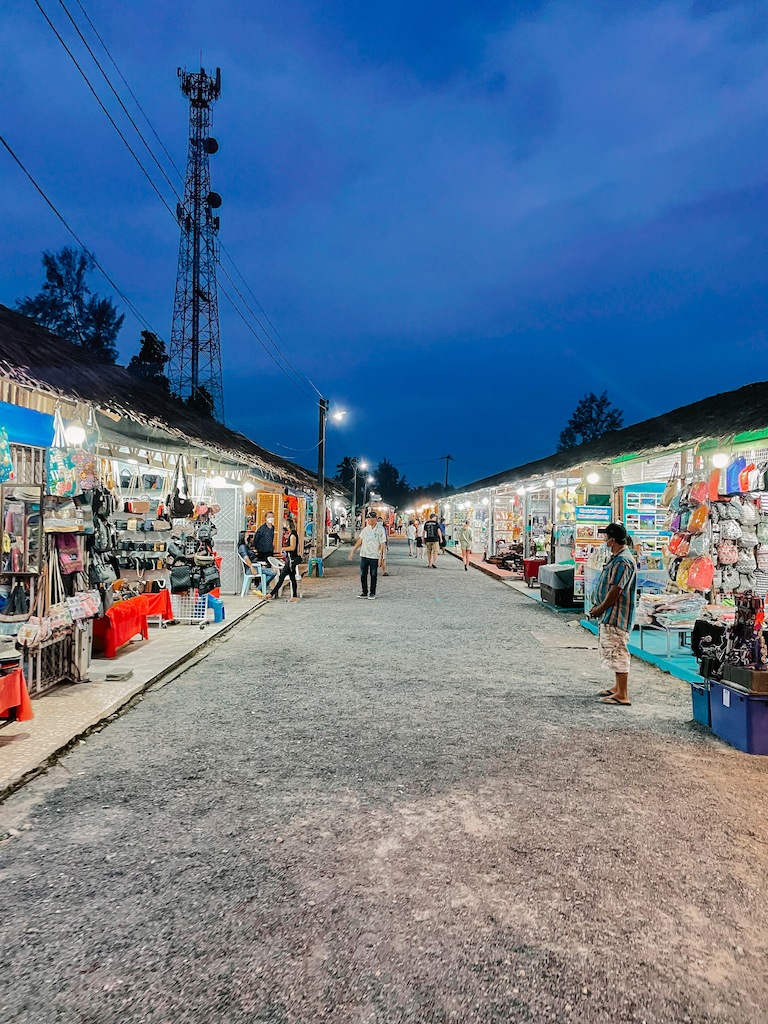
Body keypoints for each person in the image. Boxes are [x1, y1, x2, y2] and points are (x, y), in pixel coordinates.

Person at [587, 522, 637, 706]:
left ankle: (622, 694)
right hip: (610, 614)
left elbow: (616, 590)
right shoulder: (617, 558)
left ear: (612, 540)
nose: (604, 540)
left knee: (618, 651)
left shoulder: (624, 561)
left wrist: (600, 608)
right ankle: (617, 688)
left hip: (617, 615)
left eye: (606, 537)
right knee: (613, 650)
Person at [348, 511, 385, 599]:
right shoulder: (365, 529)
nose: (368, 520)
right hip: (364, 554)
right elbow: (360, 541)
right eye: (368, 518)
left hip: (374, 555)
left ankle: (372, 592)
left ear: (375, 519)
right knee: (363, 574)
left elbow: (382, 544)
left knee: (373, 574)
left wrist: (381, 557)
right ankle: (364, 591)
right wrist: (352, 551)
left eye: (370, 518)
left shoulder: (380, 530)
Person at [268, 515, 300, 602]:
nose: (284, 526)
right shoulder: (290, 534)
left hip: (291, 560)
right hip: (290, 559)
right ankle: (294, 596)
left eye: (285, 524)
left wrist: (283, 549)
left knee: (282, 577)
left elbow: (292, 547)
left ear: (288, 525)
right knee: (292, 578)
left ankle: (271, 594)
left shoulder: (293, 535)